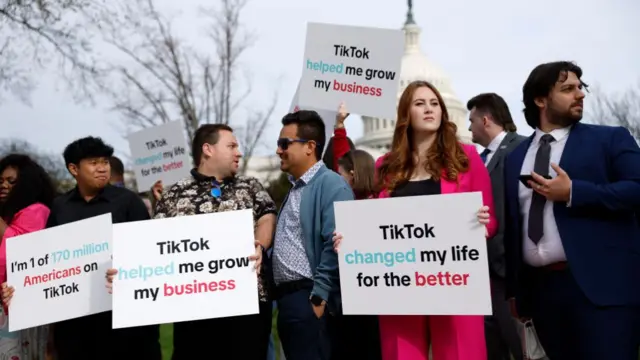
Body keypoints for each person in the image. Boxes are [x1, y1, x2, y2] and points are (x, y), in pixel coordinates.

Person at [334, 80, 496, 360]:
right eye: (420, 103)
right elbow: (375, 220)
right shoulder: (386, 165)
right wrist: (350, 237)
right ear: (405, 114)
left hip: (452, 281)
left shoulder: (466, 157)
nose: (429, 109)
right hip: (401, 285)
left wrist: (481, 223)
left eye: (435, 104)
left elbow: (490, 220)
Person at [503, 61, 640, 360]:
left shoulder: (610, 139)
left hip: (602, 293)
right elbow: (513, 225)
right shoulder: (515, 158)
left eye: (581, 87)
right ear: (540, 99)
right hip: (541, 296)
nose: (580, 94)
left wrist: (574, 192)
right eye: (567, 89)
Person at [107, 124, 276, 360]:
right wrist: (124, 275)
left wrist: (261, 243)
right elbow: (154, 245)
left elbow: (267, 216)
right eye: (231, 146)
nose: (239, 152)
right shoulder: (174, 193)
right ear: (208, 149)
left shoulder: (250, 186)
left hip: (247, 306)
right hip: (194, 310)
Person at [2, 137, 162, 360]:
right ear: (73, 169)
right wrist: (19, 288)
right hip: (76, 329)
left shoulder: (129, 202)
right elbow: (44, 261)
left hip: (124, 324)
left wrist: (126, 270)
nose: (102, 168)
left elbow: (149, 251)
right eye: (94, 162)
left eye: (104, 162)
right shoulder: (60, 207)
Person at [272, 110, 354, 360]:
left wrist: (319, 298)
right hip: (289, 302)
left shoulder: (331, 185)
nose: (279, 150)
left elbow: (336, 243)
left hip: (310, 299)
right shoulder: (296, 187)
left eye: (284, 143)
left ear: (309, 147)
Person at [467, 93, 525, 360]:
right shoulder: (477, 160)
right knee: (494, 344)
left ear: (486, 120)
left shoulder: (521, 149)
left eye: (472, 121)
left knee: (522, 344)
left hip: (511, 268)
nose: (469, 128)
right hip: (484, 268)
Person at [0, 154, 56, 360]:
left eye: (11, 181)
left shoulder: (37, 211)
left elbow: (18, 249)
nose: (4, 185)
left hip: (23, 308)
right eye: (1, 181)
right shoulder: (7, 214)